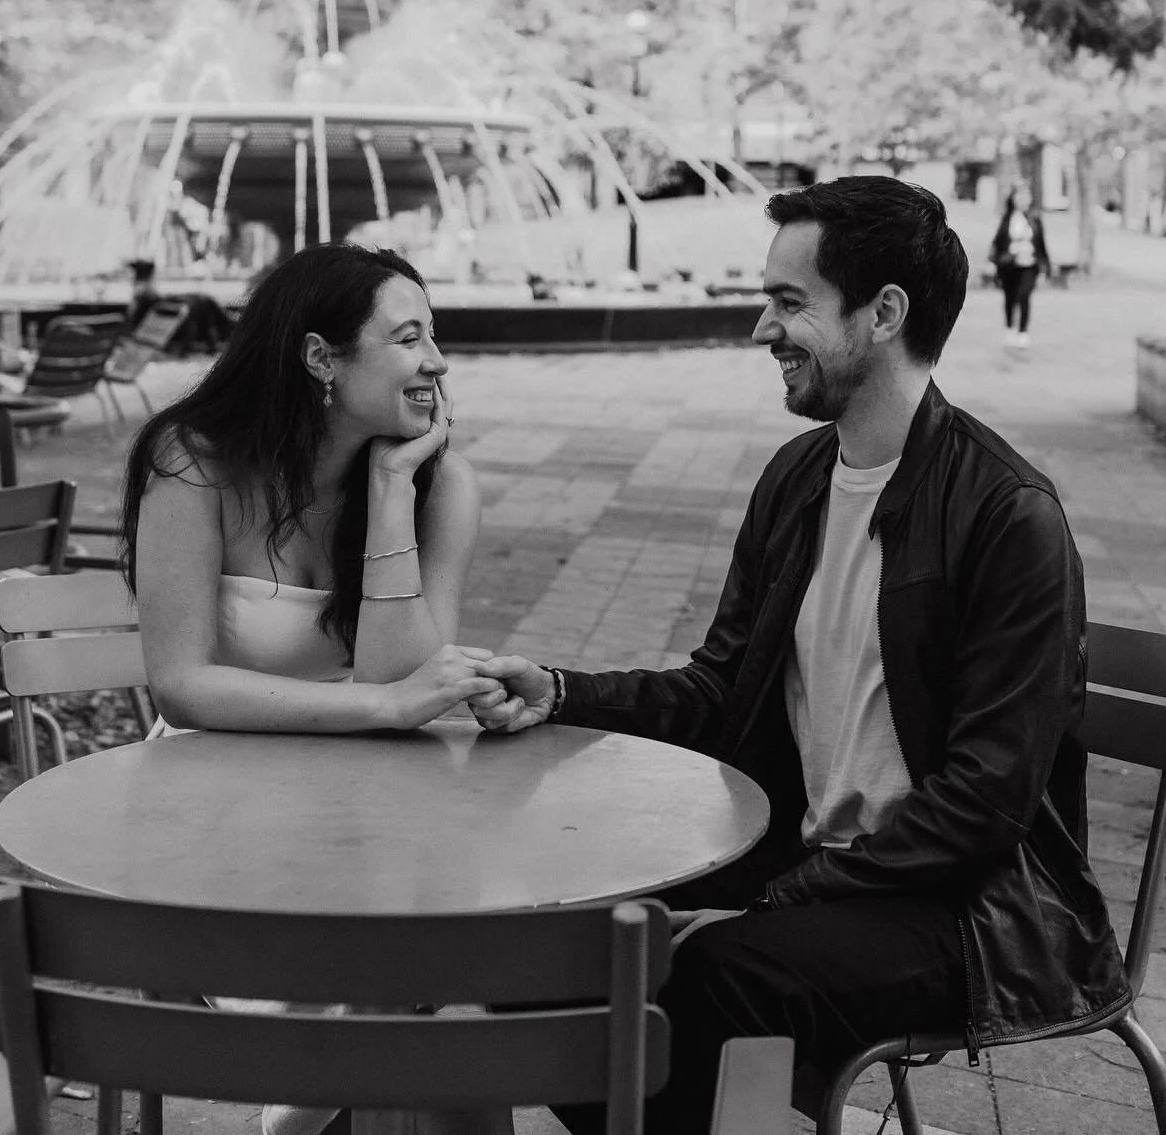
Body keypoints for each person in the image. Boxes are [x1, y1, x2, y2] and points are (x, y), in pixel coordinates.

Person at [474, 177, 1127, 1135]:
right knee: (538, 932)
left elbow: (985, 806)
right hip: (809, 862)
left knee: (719, 978)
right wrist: (565, 691)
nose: (759, 329)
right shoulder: (799, 478)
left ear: (884, 314)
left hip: (969, 907)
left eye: (789, 303)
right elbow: (720, 689)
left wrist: (776, 902)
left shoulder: (1006, 516)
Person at [121, 243, 510, 1135]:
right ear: (320, 359)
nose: (438, 362)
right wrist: (377, 711)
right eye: (409, 339)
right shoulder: (193, 461)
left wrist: (390, 487)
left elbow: (395, 670)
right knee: (418, 995)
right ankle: (312, 1112)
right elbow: (182, 686)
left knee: (452, 982)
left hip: (375, 800)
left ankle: (312, 1115)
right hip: (212, 804)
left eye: (435, 337)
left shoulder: (440, 487)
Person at [988, 183, 1050, 348]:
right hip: (1009, 266)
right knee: (1009, 297)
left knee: (1024, 295)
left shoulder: (1035, 219)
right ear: (1013, 198)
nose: (1023, 200)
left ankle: (1023, 332)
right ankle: (1009, 328)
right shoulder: (1007, 219)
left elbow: (1042, 245)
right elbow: (998, 242)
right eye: (1020, 196)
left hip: (1029, 265)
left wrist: (1046, 268)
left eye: (1026, 196)